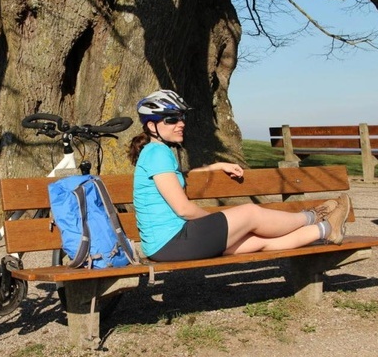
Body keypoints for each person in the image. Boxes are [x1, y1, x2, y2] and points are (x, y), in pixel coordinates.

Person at [127, 89, 351, 262]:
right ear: (152, 126)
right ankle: (314, 215)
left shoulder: (157, 153)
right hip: (173, 241)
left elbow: (173, 178)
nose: (181, 123)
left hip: (166, 246)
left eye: (181, 117)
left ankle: (327, 229)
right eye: (171, 119)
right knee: (250, 213)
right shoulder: (157, 152)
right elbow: (183, 209)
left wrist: (213, 167)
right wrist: (214, 222)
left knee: (258, 241)